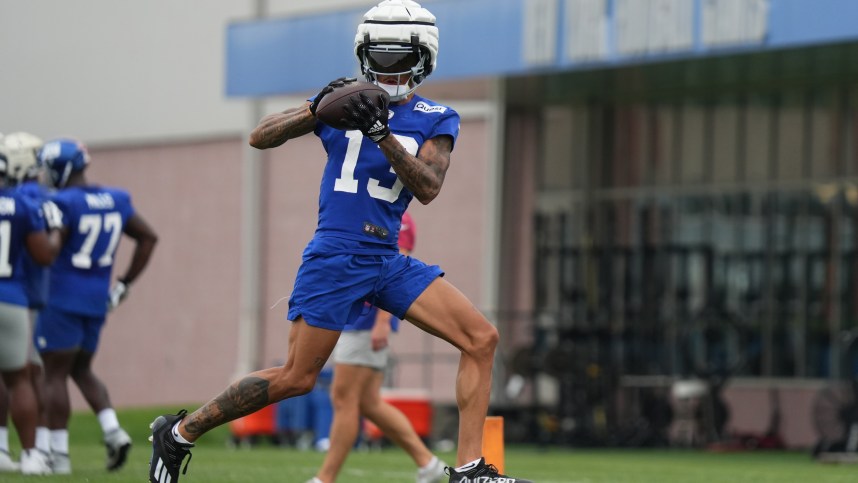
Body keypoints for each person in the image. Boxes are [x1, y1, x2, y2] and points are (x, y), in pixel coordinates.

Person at [148, 2, 532, 482]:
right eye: (381, 56)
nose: (389, 68)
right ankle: (180, 430)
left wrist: (381, 134)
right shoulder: (342, 101)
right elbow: (259, 137)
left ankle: (472, 469)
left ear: (424, 58)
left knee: (481, 338)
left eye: (399, 57)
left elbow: (428, 188)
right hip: (337, 252)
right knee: (297, 377)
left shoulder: (436, 116)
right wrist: (313, 110)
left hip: (386, 257)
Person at [35, 138, 158, 474]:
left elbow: (53, 248)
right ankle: (113, 430)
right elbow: (149, 237)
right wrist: (124, 283)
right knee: (80, 369)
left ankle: (57, 456)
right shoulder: (114, 199)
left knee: (53, 374)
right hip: (96, 300)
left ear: (61, 168)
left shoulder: (62, 202)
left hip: (61, 297)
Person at [307, 211, 446, 483]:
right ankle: (428, 463)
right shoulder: (375, 210)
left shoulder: (398, 217)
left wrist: (383, 320)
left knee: (343, 397)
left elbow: (397, 267)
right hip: (358, 315)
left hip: (367, 319)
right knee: (368, 402)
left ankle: (325, 478)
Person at [0, 137, 63, 474]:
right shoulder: (22, 205)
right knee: (18, 377)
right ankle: (31, 455)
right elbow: (44, 255)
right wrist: (54, 232)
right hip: (10, 298)